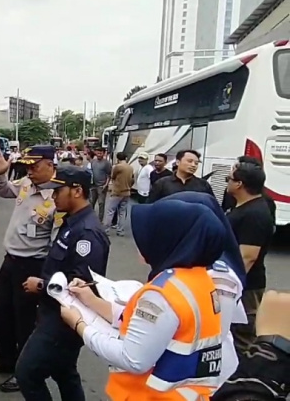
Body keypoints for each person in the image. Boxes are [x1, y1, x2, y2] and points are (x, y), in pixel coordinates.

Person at [61, 199, 225, 400]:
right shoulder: (199, 280)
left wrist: (79, 325)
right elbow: (151, 327)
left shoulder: (162, 294)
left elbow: (133, 359)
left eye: (151, 234)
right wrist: (91, 301)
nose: (141, 240)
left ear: (168, 240)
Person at [14, 165, 110, 401]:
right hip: (52, 312)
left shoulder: (88, 232)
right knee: (64, 372)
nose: (53, 196)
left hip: (63, 319)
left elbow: (81, 284)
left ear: (77, 191)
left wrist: (41, 285)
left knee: (27, 373)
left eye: (58, 190)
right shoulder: (71, 222)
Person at [0, 145, 58, 393]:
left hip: (33, 264)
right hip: (10, 260)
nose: (30, 171)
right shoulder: (26, 183)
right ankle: (6, 360)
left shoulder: (57, 198)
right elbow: (5, 191)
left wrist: (45, 277)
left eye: (35, 166)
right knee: (1, 314)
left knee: (24, 322)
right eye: (27, 166)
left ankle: (23, 371)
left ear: (50, 164)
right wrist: (1, 173)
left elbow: (56, 245)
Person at [163, 191, 248, 390]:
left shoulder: (219, 276)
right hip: (185, 367)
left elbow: (214, 333)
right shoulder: (192, 257)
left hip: (206, 376)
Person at [225, 161, 275, 355]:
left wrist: (230, 287)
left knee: (242, 332)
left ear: (239, 184)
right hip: (239, 283)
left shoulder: (255, 214)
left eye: (229, 179)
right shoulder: (244, 207)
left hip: (246, 286)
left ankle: (246, 376)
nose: (227, 182)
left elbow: (248, 257)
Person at [148, 149, 213, 202]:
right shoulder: (161, 183)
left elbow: (212, 206)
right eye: (190, 161)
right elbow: (151, 206)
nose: (193, 165)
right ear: (178, 162)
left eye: (196, 163)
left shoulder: (203, 185)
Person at [104, 152, 133, 236]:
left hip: (117, 192)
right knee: (122, 212)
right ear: (126, 158)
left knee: (110, 211)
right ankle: (120, 231)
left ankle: (106, 230)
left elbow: (112, 176)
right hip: (127, 192)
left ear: (117, 158)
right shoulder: (130, 167)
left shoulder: (117, 167)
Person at [89, 148, 112, 220]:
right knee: (91, 202)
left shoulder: (107, 163)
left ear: (104, 153)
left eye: (100, 153)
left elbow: (109, 175)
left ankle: (100, 220)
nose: (99, 154)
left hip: (101, 186)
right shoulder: (93, 162)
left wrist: (105, 185)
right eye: (97, 153)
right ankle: (90, 218)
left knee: (101, 203)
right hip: (93, 186)